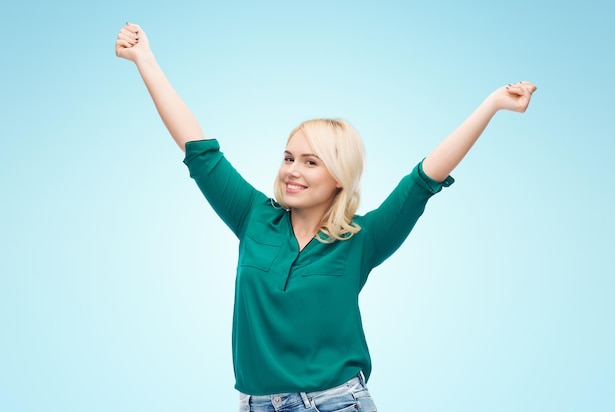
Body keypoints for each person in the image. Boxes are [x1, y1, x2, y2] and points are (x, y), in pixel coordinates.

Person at [115, 22, 537, 412]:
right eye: (288, 158)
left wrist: (493, 104)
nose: (292, 171)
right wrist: (145, 60)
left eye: (310, 162)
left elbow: (424, 178)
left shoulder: (361, 240)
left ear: (338, 177)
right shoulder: (254, 217)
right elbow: (199, 150)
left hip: (337, 403)